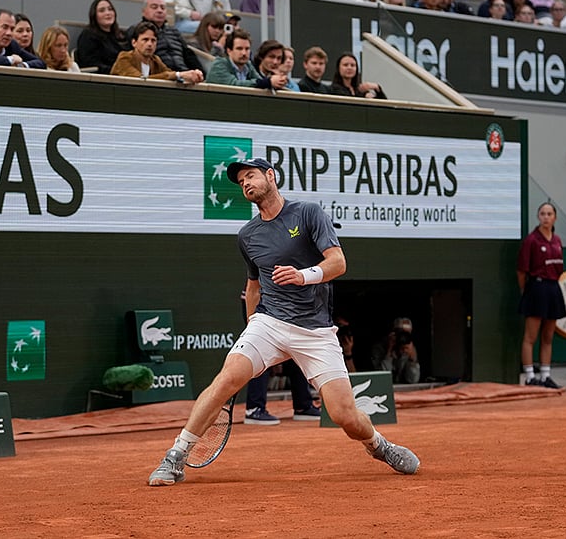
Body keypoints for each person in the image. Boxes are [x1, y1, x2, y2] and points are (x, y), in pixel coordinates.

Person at [147, 156, 420, 486]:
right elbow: (253, 285)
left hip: (315, 330)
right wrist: (251, 324)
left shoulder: (308, 214)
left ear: (271, 176)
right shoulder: (247, 236)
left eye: (251, 176)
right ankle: (176, 455)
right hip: (269, 323)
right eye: (241, 181)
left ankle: (379, 445)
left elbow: (338, 262)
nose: (246, 183)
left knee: (344, 416)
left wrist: (303, 276)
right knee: (225, 380)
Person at [517, 202, 566, 390]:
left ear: (555, 217)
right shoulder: (531, 240)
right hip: (536, 288)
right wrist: (525, 291)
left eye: (549, 214)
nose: (546, 217)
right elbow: (521, 271)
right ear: (538, 217)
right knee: (530, 336)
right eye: (542, 214)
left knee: (548, 336)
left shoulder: (557, 240)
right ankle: (530, 376)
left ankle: (546, 375)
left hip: (553, 288)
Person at [110, 20, 204, 82]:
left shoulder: (155, 60)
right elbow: (140, 80)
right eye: (145, 40)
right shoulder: (124, 58)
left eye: (153, 40)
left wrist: (192, 76)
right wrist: (179, 74)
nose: (150, 44)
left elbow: (169, 74)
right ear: (134, 43)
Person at [131, 0, 203, 73]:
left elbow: (188, 55)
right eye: (154, 7)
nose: (159, 11)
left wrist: (200, 73)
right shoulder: (135, 30)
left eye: (163, 8)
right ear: (144, 11)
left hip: (183, 74)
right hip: (157, 75)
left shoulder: (174, 32)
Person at [205, 29, 289, 89]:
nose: (244, 53)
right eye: (239, 49)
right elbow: (234, 85)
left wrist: (278, 81)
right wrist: (268, 82)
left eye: (247, 49)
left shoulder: (248, 65)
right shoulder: (219, 64)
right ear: (229, 51)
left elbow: (259, 80)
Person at [75, 0, 129, 73]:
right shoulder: (88, 35)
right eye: (102, 10)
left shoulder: (122, 35)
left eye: (110, 9)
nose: (108, 13)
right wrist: (115, 70)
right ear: (94, 15)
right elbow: (90, 63)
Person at [371, 318, 421, 384]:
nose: (403, 337)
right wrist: (389, 352)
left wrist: (412, 360)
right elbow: (382, 378)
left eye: (407, 334)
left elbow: (413, 380)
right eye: (401, 333)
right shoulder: (379, 348)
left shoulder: (409, 348)